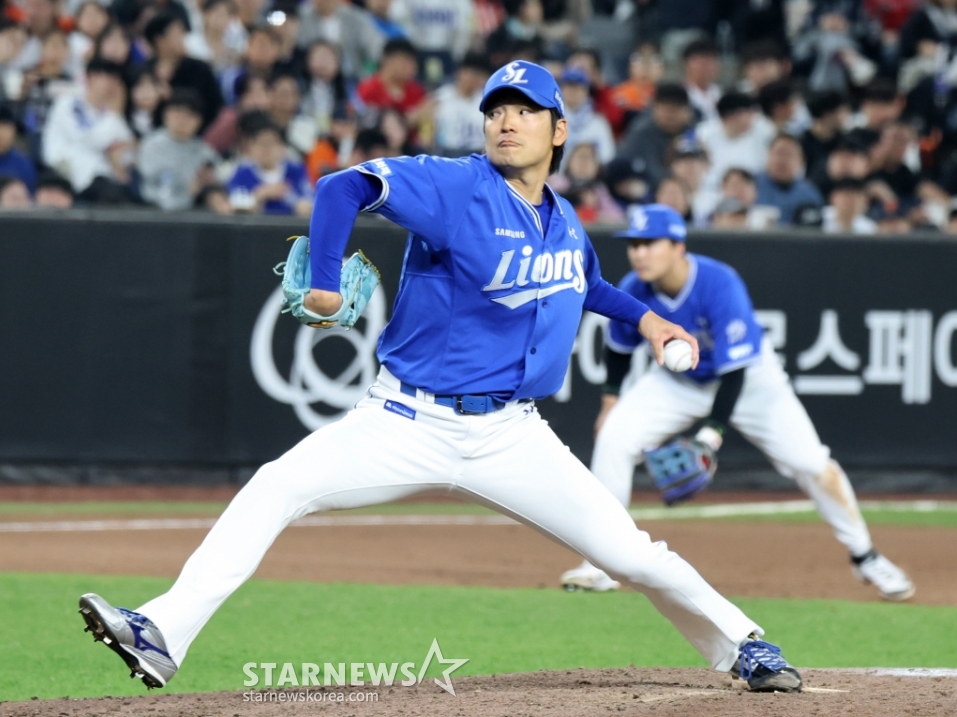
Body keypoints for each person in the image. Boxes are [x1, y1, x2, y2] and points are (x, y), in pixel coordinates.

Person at [77, 60, 805, 696]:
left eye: (525, 111)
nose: (506, 121)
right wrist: (324, 281)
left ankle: (744, 645)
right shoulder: (456, 186)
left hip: (512, 434)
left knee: (629, 554)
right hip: (405, 420)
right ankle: (162, 632)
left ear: (559, 131)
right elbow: (342, 188)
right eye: (496, 110)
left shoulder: (563, 222)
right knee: (276, 485)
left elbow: (585, 283)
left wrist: (647, 320)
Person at [560, 203, 913, 603]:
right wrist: (610, 403)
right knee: (615, 438)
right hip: (678, 381)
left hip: (751, 381)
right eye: (634, 244)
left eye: (650, 243)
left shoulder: (717, 282)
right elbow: (619, 349)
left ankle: (866, 556)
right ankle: (603, 562)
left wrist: (710, 436)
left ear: (678, 246)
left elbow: (735, 372)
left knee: (811, 463)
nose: (639, 253)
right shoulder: (635, 287)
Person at [41, 58, 135, 195]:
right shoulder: (70, 104)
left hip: (103, 180)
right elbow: (90, 140)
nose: (112, 86)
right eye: (107, 78)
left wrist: (118, 154)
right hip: (68, 178)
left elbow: (130, 153)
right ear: (90, 78)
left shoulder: (109, 113)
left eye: (115, 80)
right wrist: (114, 116)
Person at [138, 89, 218, 210]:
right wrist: (188, 189)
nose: (182, 121)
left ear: (199, 121)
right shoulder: (152, 145)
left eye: (189, 116)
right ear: (166, 114)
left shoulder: (204, 151)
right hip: (152, 210)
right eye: (177, 114)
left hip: (192, 212)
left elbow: (219, 174)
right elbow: (155, 187)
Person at [226, 111, 312, 216]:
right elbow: (233, 207)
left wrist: (301, 206)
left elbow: (310, 201)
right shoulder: (241, 173)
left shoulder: (295, 171)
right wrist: (260, 195)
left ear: (282, 147)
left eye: (271, 143)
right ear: (250, 147)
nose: (266, 149)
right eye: (261, 143)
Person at [615, 82, 693, 188]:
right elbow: (650, 172)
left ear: (688, 112)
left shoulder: (692, 130)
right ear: (654, 109)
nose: (671, 117)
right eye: (667, 110)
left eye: (676, 110)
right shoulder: (642, 132)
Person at [695, 91, 774, 191]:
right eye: (748, 113)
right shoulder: (704, 134)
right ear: (731, 116)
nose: (753, 118)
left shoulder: (761, 132)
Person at [754, 133, 824, 225]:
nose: (782, 160)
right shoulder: (751, 186)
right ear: (768, 155)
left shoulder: (810, 194)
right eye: (779, 153)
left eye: (789, 154)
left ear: (800, 161)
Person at [556, 67, 613, 172]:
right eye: (569, 86)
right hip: (554, 178)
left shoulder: (598, 123)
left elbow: (607, 157)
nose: (572, 91)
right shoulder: (552, 120)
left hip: (590, 179)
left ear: (586, 91)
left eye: (577, 87)